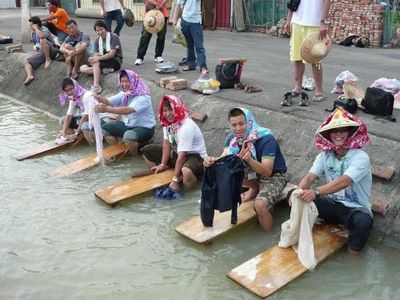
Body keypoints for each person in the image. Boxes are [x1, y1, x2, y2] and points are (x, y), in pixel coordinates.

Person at [296, 107, 373, 254]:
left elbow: (344, 181)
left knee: (363, 222)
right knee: (295, 197)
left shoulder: (360, 157)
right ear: (328, 135)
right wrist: (299, 191)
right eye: (334, 131)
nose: (338, 135)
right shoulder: (324, 155)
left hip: (354, 209)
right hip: (332, 204)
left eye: (343, 131)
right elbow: (310, 176)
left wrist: (316, 191)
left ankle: (353, 260)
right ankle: (302, 241)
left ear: (350, 133)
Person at [203, 107, 288, 232]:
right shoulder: (233, 139)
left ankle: (268, 237)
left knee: (260, 205)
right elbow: (223, 159)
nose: (238, 129)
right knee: (227, 168)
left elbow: (267, 171)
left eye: (241, 124)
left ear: (248, 122)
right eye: (234, 125)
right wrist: (210, 161)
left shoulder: (266, 138)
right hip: (254, 174)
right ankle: (255, 187)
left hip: (274, 176)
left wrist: (249, 159)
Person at [142, 95, 207, 191]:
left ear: (177, 109)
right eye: (165, 110)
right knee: (147, 150)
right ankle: (160, 178)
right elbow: (166, 143)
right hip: (178, 153)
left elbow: (182, 157)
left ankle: (187, 192)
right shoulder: (168, 123)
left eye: (170, 110)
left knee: (186, 171)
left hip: (195, 157)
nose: (168, 114)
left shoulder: (186, 127)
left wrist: (175, 180)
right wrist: (162, 165)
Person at [93, 69, 155, 156]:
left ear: (133, 81)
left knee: (128, 135)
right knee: (104, 128)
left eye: (127, 81)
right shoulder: (125, 94)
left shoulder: (143, 96)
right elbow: (109, 102)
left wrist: (106, 109)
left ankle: (134, 156)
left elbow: (128, 110)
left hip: (145, 128)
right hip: (128, 125)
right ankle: (117, 150)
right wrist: (97, 98)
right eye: (122, 81)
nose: (124, 84)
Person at [283, 0, 331, 105]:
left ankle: (319, 90)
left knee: (316, 58)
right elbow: (293, 2)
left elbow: (327, 1)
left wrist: (323, 22)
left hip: (314, 23)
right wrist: (289, 19)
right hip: (296, 22)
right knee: (297, 57)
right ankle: (298, 87)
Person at [80, 20, 123, 94]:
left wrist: (97, 59)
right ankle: (102, 70)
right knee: (82, 68)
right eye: (97, 30)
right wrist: (93, 58)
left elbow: (112, 54)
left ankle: (96, 86)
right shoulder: (97, 40)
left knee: (96, 63)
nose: (100, 32)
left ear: (105, 28)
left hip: (115, 60)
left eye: (101, 29)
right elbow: (96, 54)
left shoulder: (114, 37)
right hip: (103, 61)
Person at [172, 0, 208, 76]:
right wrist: (174, 20)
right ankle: (191, 65)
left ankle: (203, 67)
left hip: (196, 22)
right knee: (189, 45)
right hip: (184, 20)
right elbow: (178, 6)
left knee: (199, 46)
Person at [23, 16, 58, 86]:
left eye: (31, 25)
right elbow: (36, 44)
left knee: (43, 40)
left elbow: (42, 37)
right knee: (26, 61)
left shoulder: (44, 29)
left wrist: (36, 28)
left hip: (52, 50)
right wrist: (36, 49)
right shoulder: (33, 33)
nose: (30, 27)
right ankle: (29, 76)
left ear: (36, 24)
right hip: (42, 52)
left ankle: (48, 59)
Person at [58, 77, 94, 144]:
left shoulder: (86, 95)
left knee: (84, 126)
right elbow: (69, 115)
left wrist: (76, 133)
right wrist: (63, 132)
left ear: (75, 86)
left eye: (71, 89)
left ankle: (78, 136)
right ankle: (73, 138)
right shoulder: (73, 98)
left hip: (93, 119)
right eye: (66, 91)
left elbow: (86, 116)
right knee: (62, 120)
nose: (69, 92)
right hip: (83, 119)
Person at [134, 0, 169, 65]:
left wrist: (161, 4)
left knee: (161, 36)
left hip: (162, 12)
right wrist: (156, 3)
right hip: (150, 12)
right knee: (145, 35)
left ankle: (158, 55)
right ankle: (140, 57)